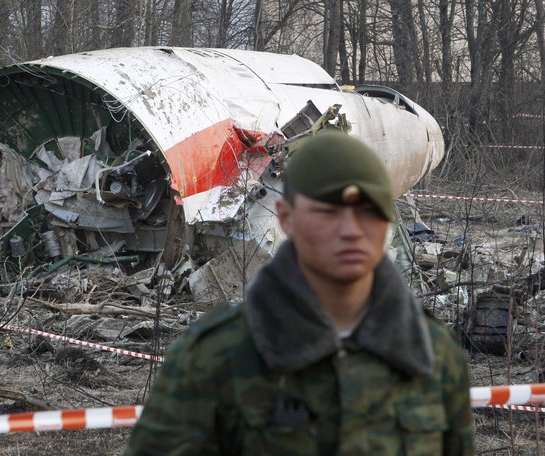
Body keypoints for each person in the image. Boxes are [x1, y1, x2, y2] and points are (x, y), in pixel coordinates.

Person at [125, 131, 474, 455]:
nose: (351, 231)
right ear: (287, 218)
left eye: (368, 212)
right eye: (328, 212)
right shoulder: (217, 357)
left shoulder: (433, 353)